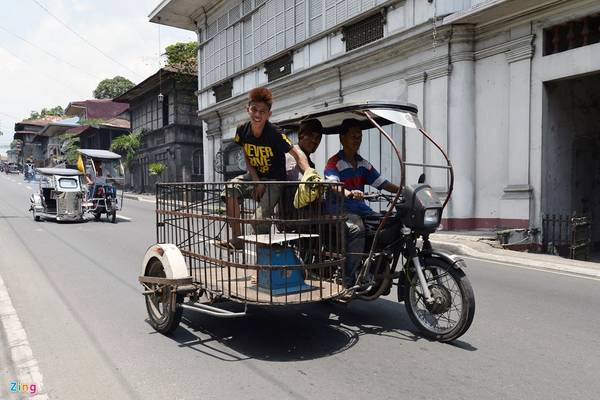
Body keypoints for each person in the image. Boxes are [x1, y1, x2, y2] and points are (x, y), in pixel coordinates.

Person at [219, 87, 311, 249]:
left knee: (258, 219)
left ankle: (266, 262)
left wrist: (309, 173)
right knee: (230, 189)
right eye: (254, 109)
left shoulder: (274, 133)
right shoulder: (242, 130)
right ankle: (238, 239)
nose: (257, 115)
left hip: (275, 180)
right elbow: (247, 154)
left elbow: (297, 153)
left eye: (262, 111)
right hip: (256, 176)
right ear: (247, 109)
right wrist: (256, 181)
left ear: (269, 114)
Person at [324, 118, 400, 287]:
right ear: (342, 138)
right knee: (357, 229)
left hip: (360, 209)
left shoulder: (363, 164)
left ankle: (374, 266)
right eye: (353, 136)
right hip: (338, 209)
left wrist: (404, 190)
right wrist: (349, 193)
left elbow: (383, 183)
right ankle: (348, 278)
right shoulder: (334, 162)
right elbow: (334, 184)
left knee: (387, 224)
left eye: (359, 136)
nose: (357, 140)